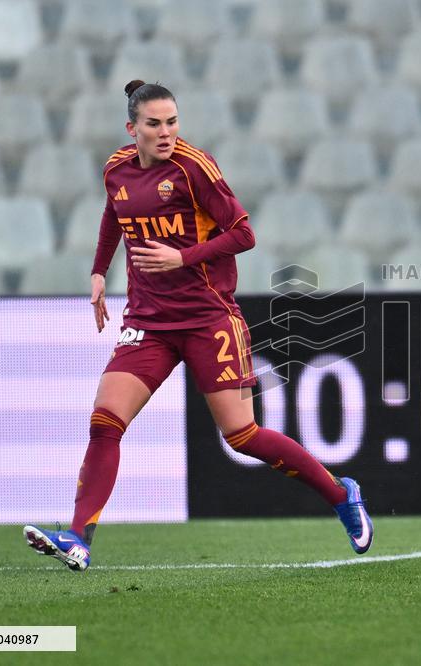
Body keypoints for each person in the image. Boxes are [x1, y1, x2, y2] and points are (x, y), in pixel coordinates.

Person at [24, 80, 373, 571]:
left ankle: (341, 494)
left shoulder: (194, 169)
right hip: (149, 320)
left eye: (172, 122)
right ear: (132, 129)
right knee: (105, 421)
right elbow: (114, 216)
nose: (166, 132)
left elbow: (244, 233)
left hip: (208, 318)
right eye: (154, 124)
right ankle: (78, 538)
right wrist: (100, 270)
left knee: (242, 435)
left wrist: (181, 257)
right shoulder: (116, 170)